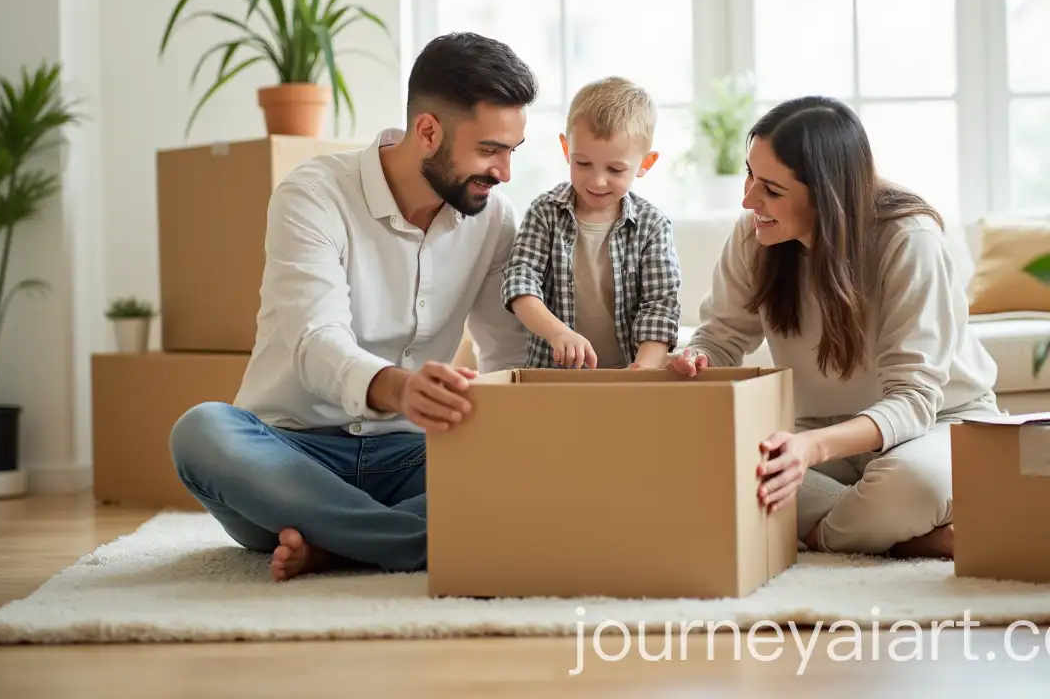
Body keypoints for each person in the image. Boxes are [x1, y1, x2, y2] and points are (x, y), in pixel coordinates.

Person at [168, 32, 537, 581]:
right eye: (489, 150)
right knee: (200, 432)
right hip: (292, 455)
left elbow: (504, 353)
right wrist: (403, 389)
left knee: (535, 468)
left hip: (413, 459)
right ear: (428, 131)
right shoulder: (313, 195)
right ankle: (406, 538)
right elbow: (316, 341)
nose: (504, 171)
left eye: (512, 151)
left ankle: (337, 543)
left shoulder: (495, 219)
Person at [670, 96, 1000, 559]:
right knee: (704, 468)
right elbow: (721, 337)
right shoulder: (754, 235)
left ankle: (835, 531)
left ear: (826, 192)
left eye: (771, 188)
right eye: (749, 174)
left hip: (942, 423)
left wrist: (809, 449)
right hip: (820, 437)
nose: (748, 200)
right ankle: (910, 538)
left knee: (912, 486)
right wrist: (696, 358)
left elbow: (914, 400)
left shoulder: (909, 240)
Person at [501, 76, 682, 370]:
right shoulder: (545, 213)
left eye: (615, 169)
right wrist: (557, 332)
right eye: (582, 163)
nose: (597, 181)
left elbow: (660, 307)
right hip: (554, 380)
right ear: (565, 148)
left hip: (629, 376)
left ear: (645, 164)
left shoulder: (652, 226)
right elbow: (520, 282)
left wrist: (643, 370)